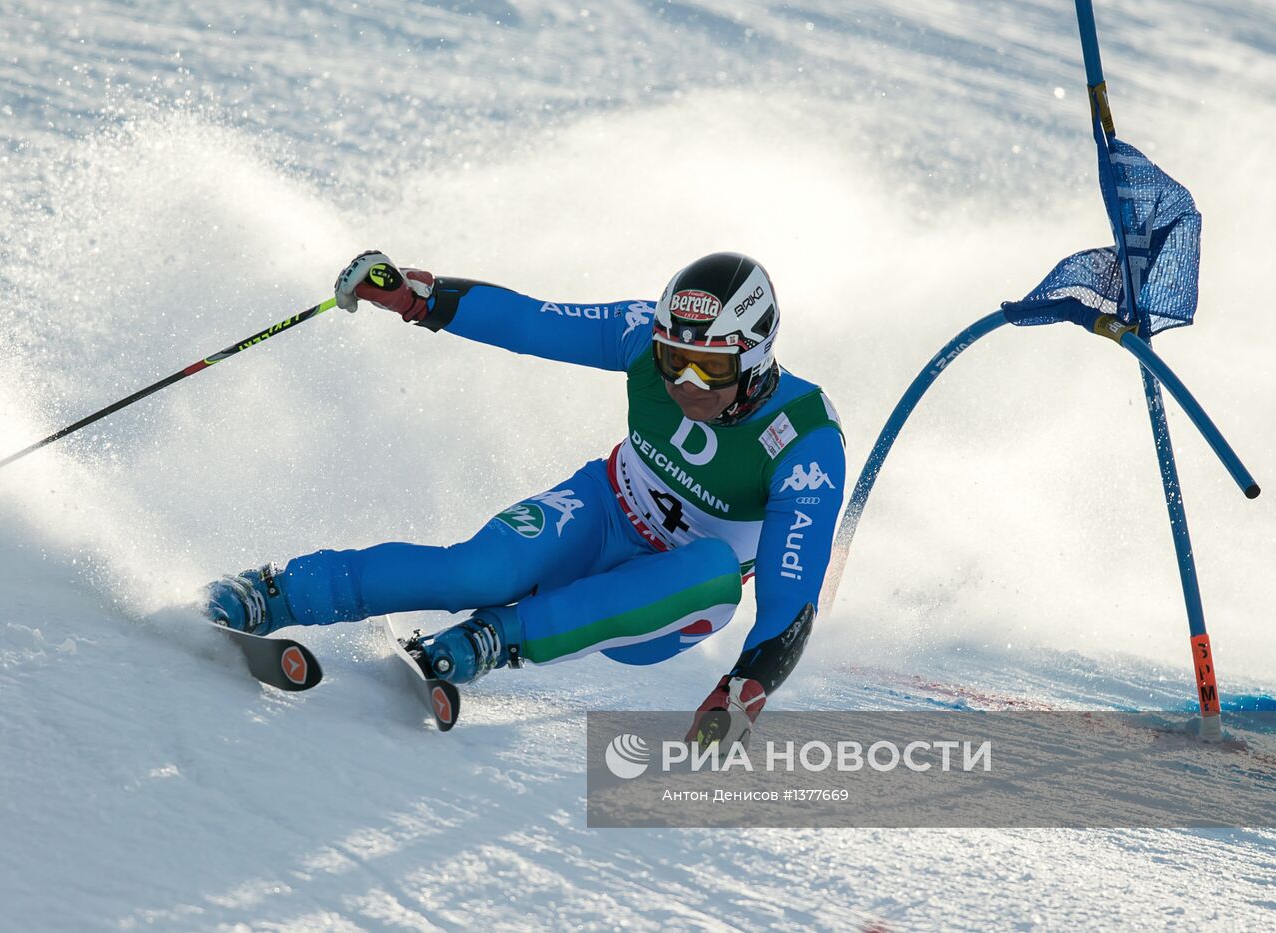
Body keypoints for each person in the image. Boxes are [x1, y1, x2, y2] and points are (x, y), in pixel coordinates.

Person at [206, 250, 845, 745]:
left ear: (756, 360)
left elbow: (789, 605)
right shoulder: (638, 336)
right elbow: (530, 322)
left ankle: (493, 639)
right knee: (478, 571)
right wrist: (416, 298)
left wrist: (741, 693)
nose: (684, 382)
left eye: (711, 370)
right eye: (673, 357)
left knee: (715, 574)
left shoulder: (807, 445)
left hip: (669, 600)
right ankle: (277, 592)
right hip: (605, 507)